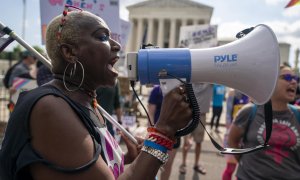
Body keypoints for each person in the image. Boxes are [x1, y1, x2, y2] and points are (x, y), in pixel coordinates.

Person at [0, 9, 192, 180]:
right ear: (69, 52)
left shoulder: (86, 102)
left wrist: (128, 160)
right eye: (102, 37)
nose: (117, 45)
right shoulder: (50, 109)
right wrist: (164, 130)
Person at [227, 65, 300, 180]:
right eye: (287, 77)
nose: (294, 82)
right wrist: (245, 163)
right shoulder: (249, 111)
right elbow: (232, 141)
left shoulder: (298, 115)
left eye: (296, 79)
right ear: (271, 81)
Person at [179, 83, 213, 175]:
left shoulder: (209, 81)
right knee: (186, 142)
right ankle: (183, 163)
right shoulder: (190, 80)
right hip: (188, 113)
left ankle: (196, 164)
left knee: (199, 142)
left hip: (201, 115)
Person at [148, 85, 181, 180]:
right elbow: (150, 113)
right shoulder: (157, 90)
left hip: (175, 135)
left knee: (167, 165)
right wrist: (151, 132)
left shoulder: (181, 90)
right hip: (157, 134)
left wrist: (188, 137)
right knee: (151, 165)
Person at [222, 88, 249, 180]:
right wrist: (229, 132)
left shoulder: (252, 93)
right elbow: (228, 115)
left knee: (244, 170)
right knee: (230, 168)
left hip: (248, 136)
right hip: (234, 134)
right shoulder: (232, 93)